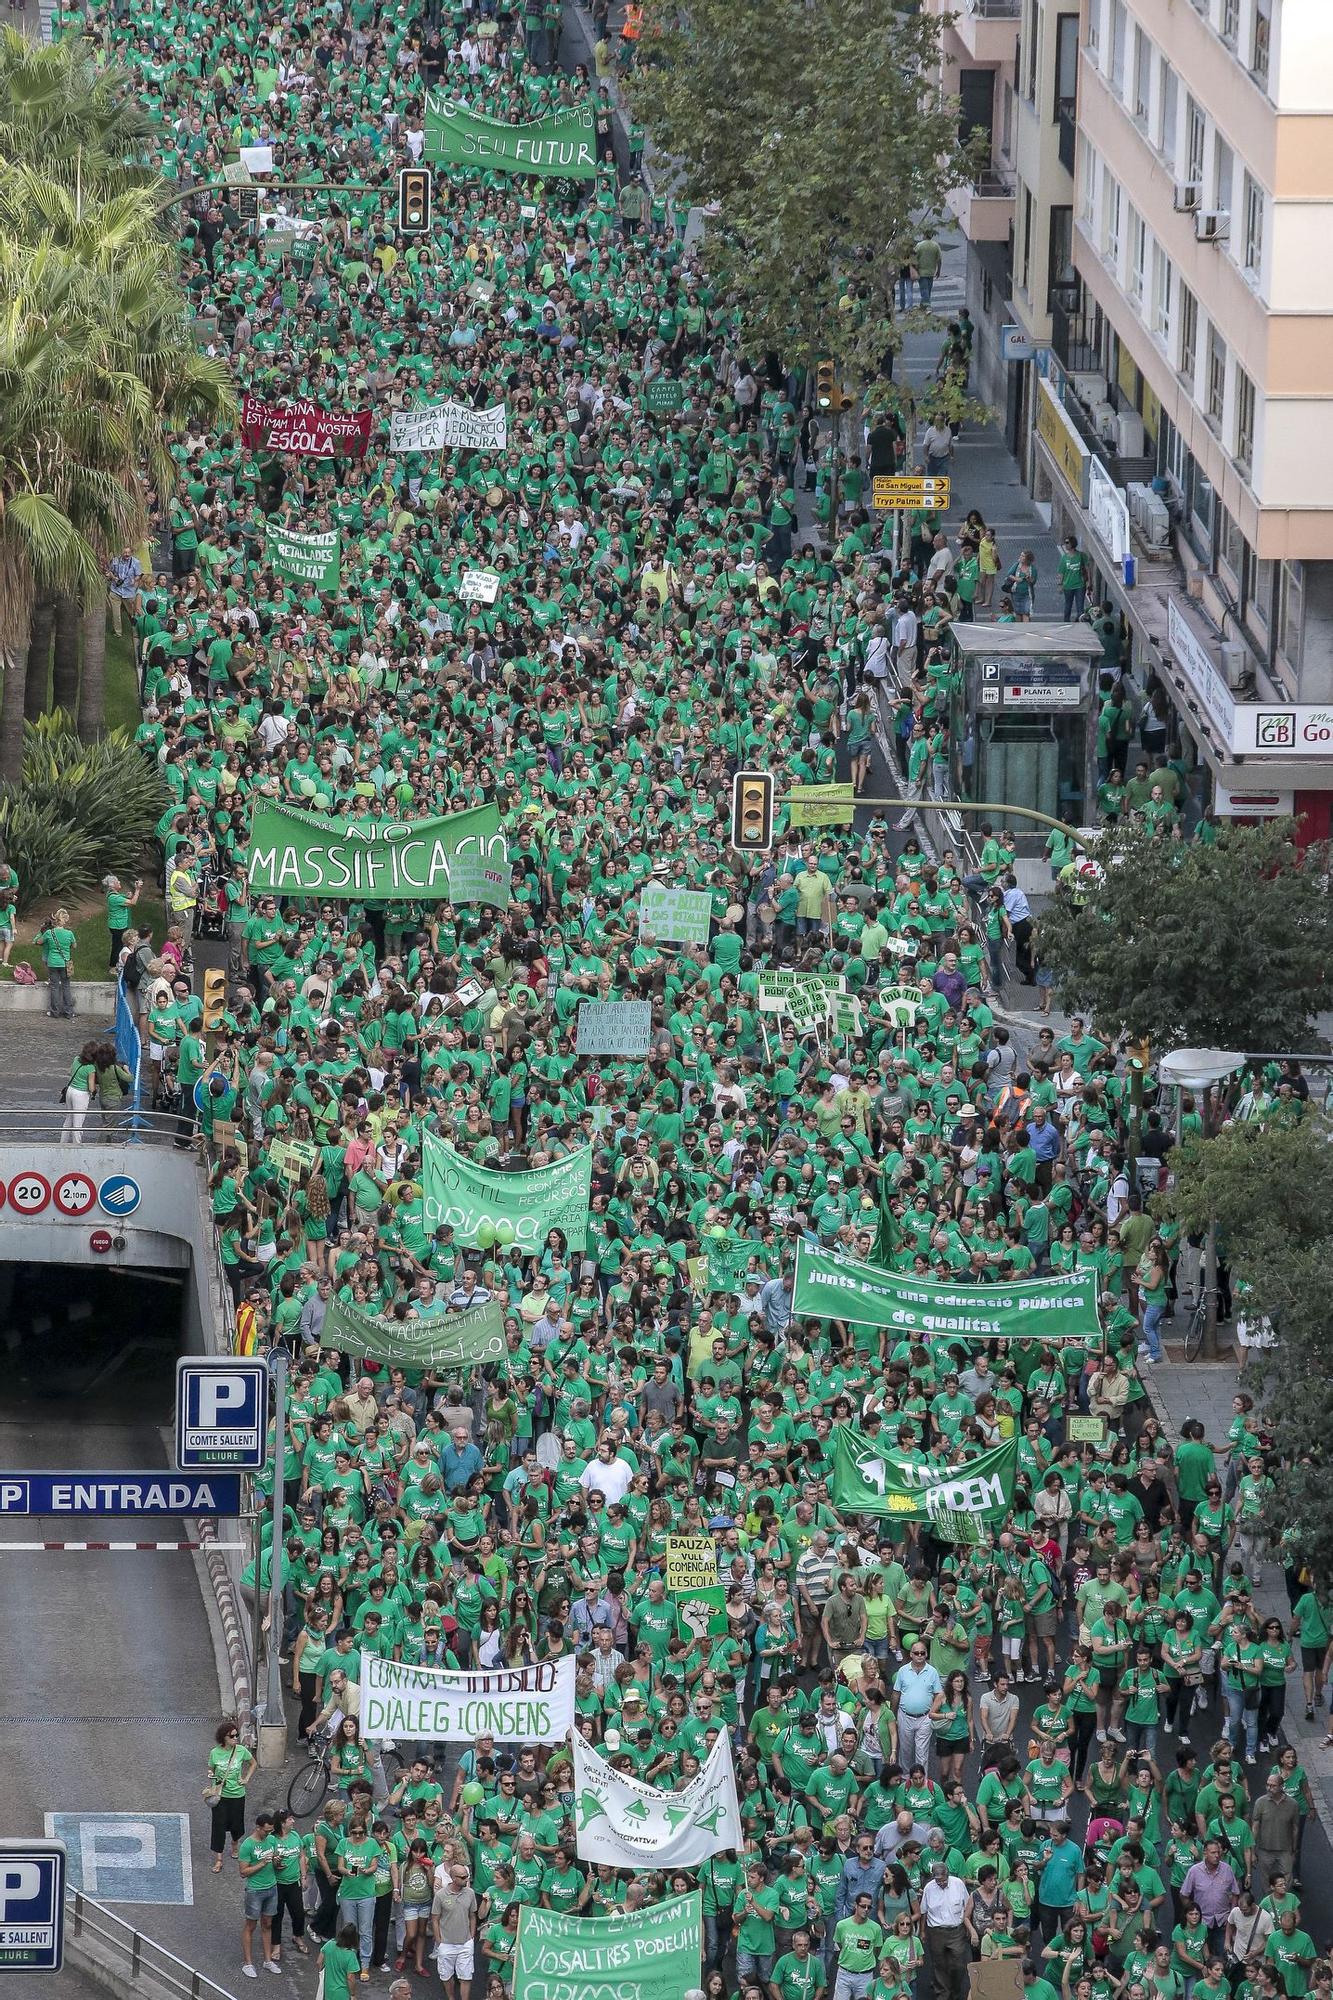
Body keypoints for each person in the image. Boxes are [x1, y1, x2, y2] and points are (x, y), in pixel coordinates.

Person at [205, 1718, 254, 1873]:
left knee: (236, 1824)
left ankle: (234, 1843)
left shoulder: (241, 1751)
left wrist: (245, 1779)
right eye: (231, 1736)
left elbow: (253, 1763)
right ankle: (219, 1859)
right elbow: (210, 1769)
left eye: (236, 1735)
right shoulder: (215, 1753)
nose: (235, 1738)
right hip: (220, 1796)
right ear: (223, 1738)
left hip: (237, 1794)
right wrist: (212, 1776)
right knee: (218, 1826)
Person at [238, 1810, 281, 1978]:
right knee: (251, 1925)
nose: (269, 1834)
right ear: (258, 1828)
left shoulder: (271, 1840)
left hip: (271, 1887)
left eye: (271, 1831)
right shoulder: (247, 1845)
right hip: (255, 1890)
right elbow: (243, 1872)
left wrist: (277, 1862)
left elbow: (275, 1861)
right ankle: (248, 1963)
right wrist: (262, 1863)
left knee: (267, 1924)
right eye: (266, 1830)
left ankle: (268, 1960)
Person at [35, 907, 76, 1018]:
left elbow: (38, 942)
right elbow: (74, 946)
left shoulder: (49, 932)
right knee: (66, 987)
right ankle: (68, 1012)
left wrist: (40, 931)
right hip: (65, 963)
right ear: (65, 920)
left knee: (54, 987)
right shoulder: (69, 933)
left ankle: (54, 1012)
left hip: (52, 962)